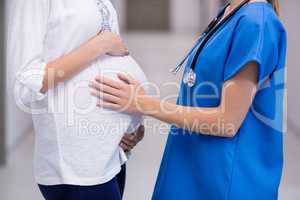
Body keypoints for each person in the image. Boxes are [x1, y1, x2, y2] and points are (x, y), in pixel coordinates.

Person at [89, 0, 287, 199]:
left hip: (224, 180)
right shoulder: (231, 11)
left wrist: (142, 103)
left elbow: (227, 121)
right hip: (192, 164)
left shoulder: (256, 23)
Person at [7, 0, 146, 199]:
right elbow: (25, 82)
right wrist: (101, 44)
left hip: (112, 152)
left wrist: (131, 123)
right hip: (77, 165)